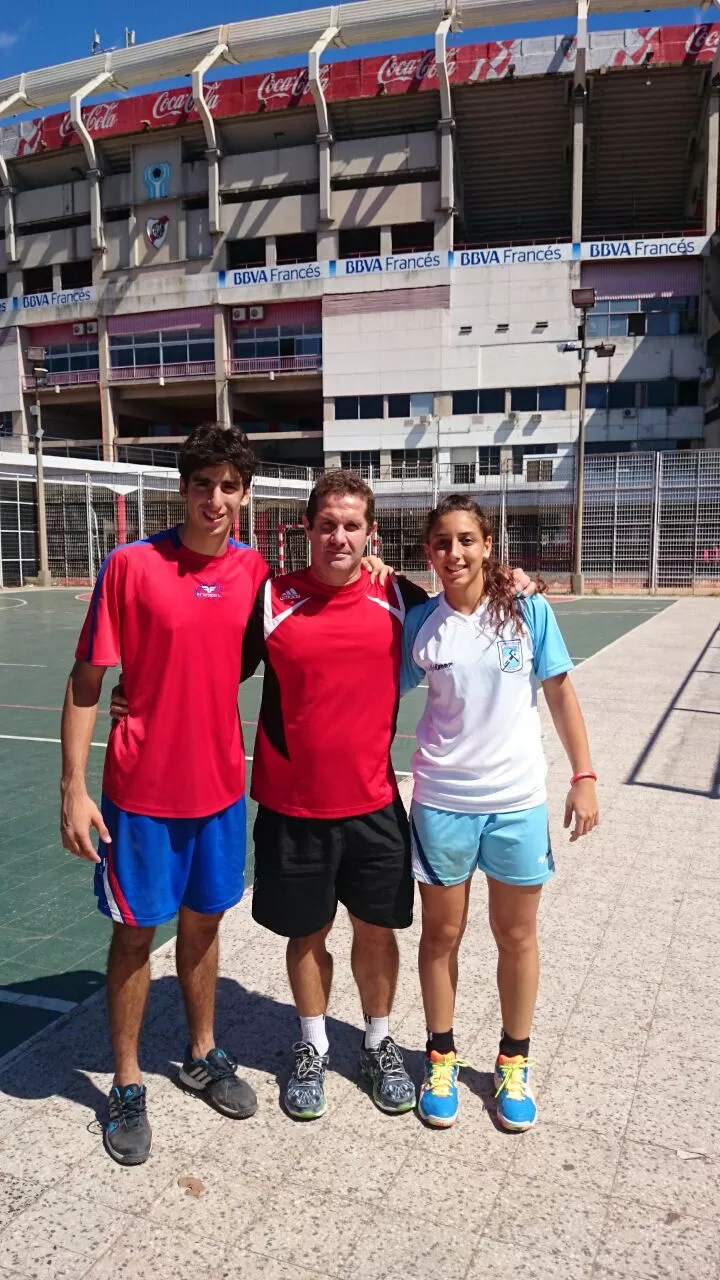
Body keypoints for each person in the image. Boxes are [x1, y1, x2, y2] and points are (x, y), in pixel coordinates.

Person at [242, 471, 535, 1122]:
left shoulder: (398, 597)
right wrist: (134, 695)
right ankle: (313, 1044)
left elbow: (468, 594)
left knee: (377, 932)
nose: (339, 536)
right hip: (292, 810)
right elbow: (211, 667)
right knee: (307, 934)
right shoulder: (272, 598)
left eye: (351, 526)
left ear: (369, 534)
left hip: (373, 805)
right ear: (308, 530)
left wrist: (515, 576)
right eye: (327, 524)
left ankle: (377, 1042)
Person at [60, 424, 268, 1166]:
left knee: (205, 930)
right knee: (135, 934)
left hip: (218, 789)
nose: (215, 498)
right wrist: (72, 788)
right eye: (202, 483)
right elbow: (87, 682)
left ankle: (202, 1053)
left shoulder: (254, 570)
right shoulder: (131, 565)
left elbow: (257, 649)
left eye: (229, 486)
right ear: (183, 486)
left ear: (244, 495)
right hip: (140, 794)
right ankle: (125, 1083)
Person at [400, 495, 599, 1132]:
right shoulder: (420, 623)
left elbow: (561, 696)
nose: (453, 554)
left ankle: (513, 1060)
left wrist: (585, 777)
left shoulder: (527, 610)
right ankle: (441, 1056)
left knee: (516, 936)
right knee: (442, 936)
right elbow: (366, 688)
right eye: (440, 543)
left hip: (516, 802)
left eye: (465, 540)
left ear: (488, 544)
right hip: (442, 805)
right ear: (428, 553)